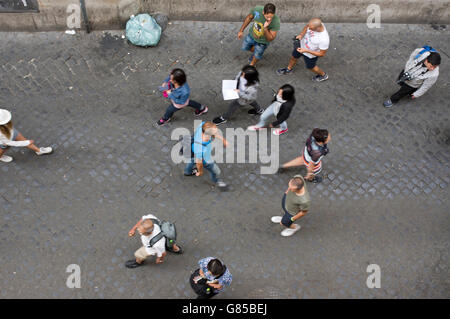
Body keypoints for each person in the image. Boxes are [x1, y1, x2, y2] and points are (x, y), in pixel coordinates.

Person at [277, 18, 330, 82]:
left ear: (318, 28)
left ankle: (323, 75)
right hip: (301, 46)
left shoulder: (324, 39)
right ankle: (288, 69)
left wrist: (305, 51)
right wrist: (301, 35)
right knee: (294, 57)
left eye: (311, 29)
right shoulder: (313, 25)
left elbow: (322, 54)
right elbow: (306, 27)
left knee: (311, 67)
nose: (309, 29)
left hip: (310, 54)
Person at [184, 121, 228, 189]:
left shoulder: (202, 126)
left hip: (193, 151)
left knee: (192, 160)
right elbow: (199, 163)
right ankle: (216, 180)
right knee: (216, 171)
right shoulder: (201, 149)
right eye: (215, 132)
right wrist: (200, 171)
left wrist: (223, 140)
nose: (216, 133)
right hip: (205, 160)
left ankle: (187, 172)